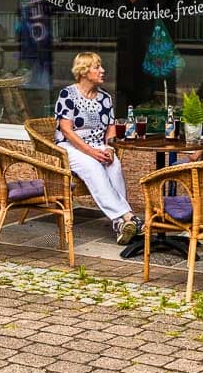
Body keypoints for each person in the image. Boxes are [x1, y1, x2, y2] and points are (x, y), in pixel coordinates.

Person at [53, 52, 141, 244]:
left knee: (114, 166)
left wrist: (109, 149)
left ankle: (120, 223)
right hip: (70, 147)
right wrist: (91, 152)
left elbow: (110, 130)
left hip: (98, 146)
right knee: (93, 168)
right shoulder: (68, 94)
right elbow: (67, 131)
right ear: (84, 72)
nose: (102, 70)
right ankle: (128, 216)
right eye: (96, 67)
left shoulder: (105, 98)